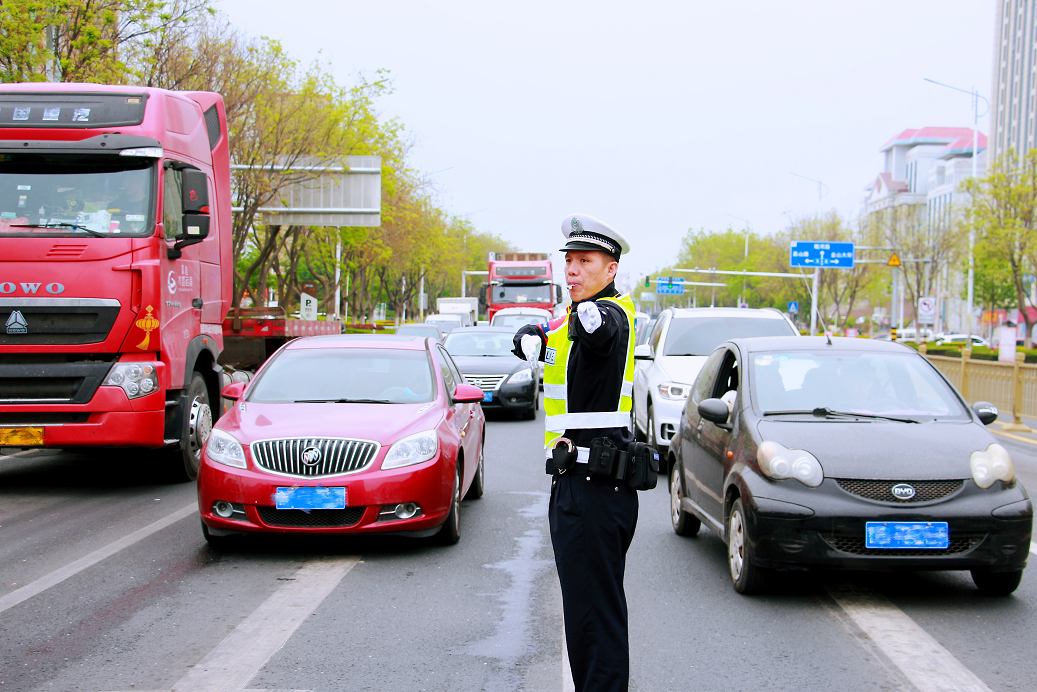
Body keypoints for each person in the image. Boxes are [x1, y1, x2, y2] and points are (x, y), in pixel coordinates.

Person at [512, 213, 638, 692]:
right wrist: (536, 341)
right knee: (584, 613)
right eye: (569, 261)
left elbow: (599, 333)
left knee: (595, 618)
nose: (572, 270)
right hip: (576, 483)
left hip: (596, 487)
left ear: (611, 269)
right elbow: (568, 357)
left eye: (586, 261)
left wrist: (578, 315)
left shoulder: (610, 314)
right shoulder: (574, 321)